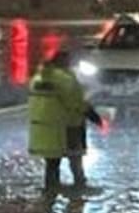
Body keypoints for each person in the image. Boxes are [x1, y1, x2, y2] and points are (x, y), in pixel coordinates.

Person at [27, 51, 102, 192]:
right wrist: (93, 115)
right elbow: (76, 103)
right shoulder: (64, 79)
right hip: (68, 124)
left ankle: (51, 187)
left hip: (44, 127)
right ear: (64, 62)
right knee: (75, 156)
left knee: (52, 161)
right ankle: (80, 185)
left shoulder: (37, 78)